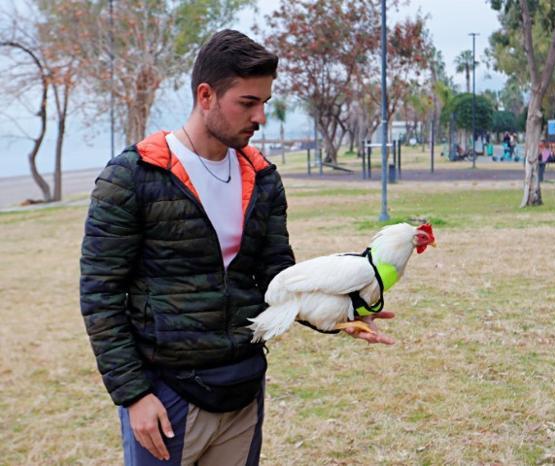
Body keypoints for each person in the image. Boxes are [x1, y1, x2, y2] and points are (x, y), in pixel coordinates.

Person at [79, 30, 394, 466]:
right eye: (248, 103)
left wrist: (343, 311)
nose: (260, 116)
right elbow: (100, 294)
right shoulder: (132, 177)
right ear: (205, 95)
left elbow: (277, 281)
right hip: (166, 395)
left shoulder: (263, 179)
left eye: (264, 101)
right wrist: (133, 395)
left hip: (243, 387)